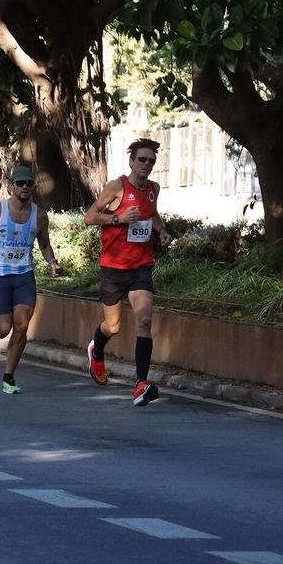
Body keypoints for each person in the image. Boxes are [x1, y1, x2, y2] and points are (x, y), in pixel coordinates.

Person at [82, 138, 173, 406]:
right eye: (142, 159)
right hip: (113, 267)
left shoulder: (154, 189)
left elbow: (152, 213)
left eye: (151, 161)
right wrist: (118, 219)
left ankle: (140, 384)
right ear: (132, 161)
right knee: (113, 326)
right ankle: (96, 350)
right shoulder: (117, 186)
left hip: (141, 267)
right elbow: (89, 217)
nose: (147, 164)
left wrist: (161, 230)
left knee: (144, 321)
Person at [0, 165, 61, 394]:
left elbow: (45, 244)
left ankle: (9, 376)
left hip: (24, 277)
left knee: (21, 326)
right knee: (1, 330)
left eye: (29, 183)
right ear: (11, 186)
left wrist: (52, 262)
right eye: (20, 183)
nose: (24, 187)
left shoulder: (40, 215)